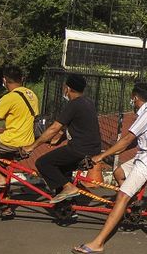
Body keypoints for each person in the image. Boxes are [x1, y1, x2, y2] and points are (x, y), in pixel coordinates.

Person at [73, 81, 147, 254]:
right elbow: (131, 141)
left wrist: (101, 157)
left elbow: (127, 140)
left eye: (131, 98)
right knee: (119, 172)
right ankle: (132, 203)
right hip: (146, 155)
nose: (130, 101)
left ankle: (98, 243)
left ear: (135, 97)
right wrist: (112, 152)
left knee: (122, 197)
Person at [23, 73, 101, 203]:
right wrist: (59, 139)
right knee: (60, 169)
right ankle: (65, 206)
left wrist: (32, 146)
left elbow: (54, 128)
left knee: (43, 163)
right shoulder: (88, 103)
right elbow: (78, 124)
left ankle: (69, 188)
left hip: (79, 149)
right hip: (92, 149)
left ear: (68, 88)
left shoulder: (74, 104)